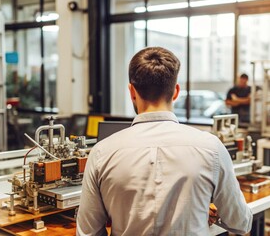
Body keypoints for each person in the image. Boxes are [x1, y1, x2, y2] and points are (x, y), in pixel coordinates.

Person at [77, 47, 252, 235]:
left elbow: (88, 232)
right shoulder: (212, 147)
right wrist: (204, 211)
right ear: (176, 92)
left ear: (132, 92)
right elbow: (241, 223)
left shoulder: (102, 152)